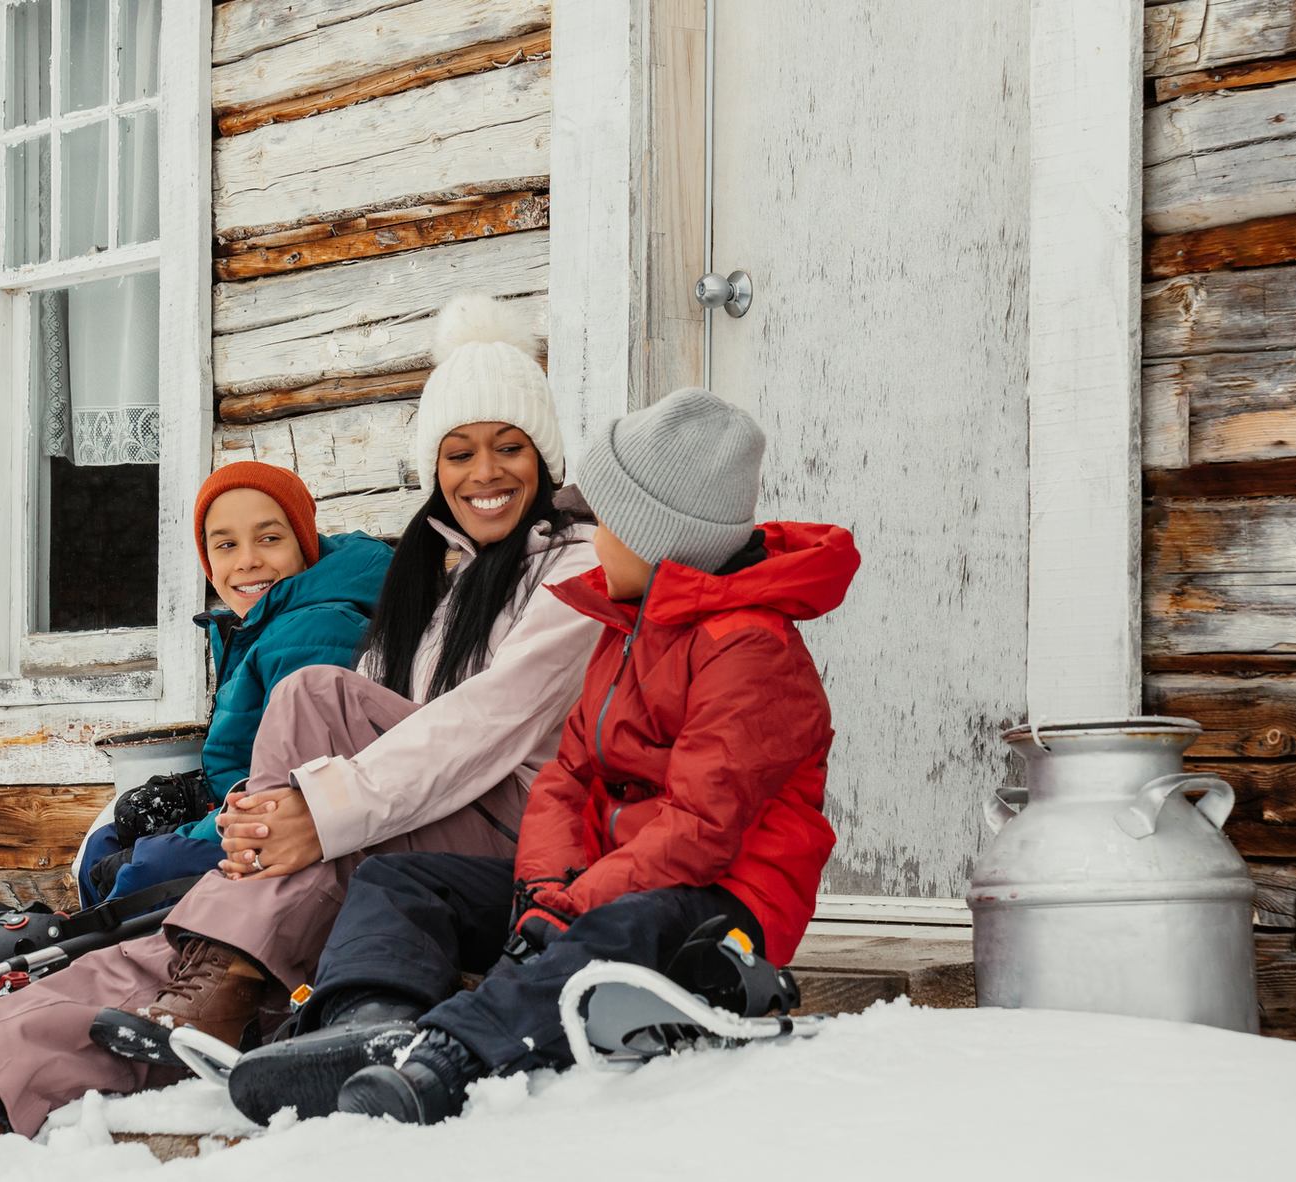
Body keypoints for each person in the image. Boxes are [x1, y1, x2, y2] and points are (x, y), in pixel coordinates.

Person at [0, 293, 606, 1154]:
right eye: (459, 452)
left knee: (309, 704)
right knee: (189, 940)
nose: (483, 472)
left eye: (508, 447)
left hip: (496, 845)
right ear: (433, 468)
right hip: (401, 819)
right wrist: (276, 823)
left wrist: (314, 813)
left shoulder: (576, 571)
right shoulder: (439, 579)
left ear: (545, 455)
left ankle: (214, 973)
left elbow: (476, 730)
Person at [227, 387, 861, 1126]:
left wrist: (574, 903)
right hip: (598, 883)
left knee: (611, 932)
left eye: (603, 519)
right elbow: (567, 779)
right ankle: (366, 1017)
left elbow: (700, 828)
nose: (586, 534)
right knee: (402, 879)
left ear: (657, 536)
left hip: (722, 905)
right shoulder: (625, 628)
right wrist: (543, 890)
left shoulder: (750, 650)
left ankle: (447, 1057)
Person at [75, 463, 391, 905]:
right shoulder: (263, 624)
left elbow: (289, 790)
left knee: (137, 871)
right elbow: (246, 754)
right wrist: (194, 796)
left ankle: (121, 962)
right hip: (240, 807)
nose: (247, 560)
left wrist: (188, 831)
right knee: (107, 843)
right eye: (226, 545)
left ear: (303, 544)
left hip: (290, 830)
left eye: (269, 538)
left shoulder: (316, 629)